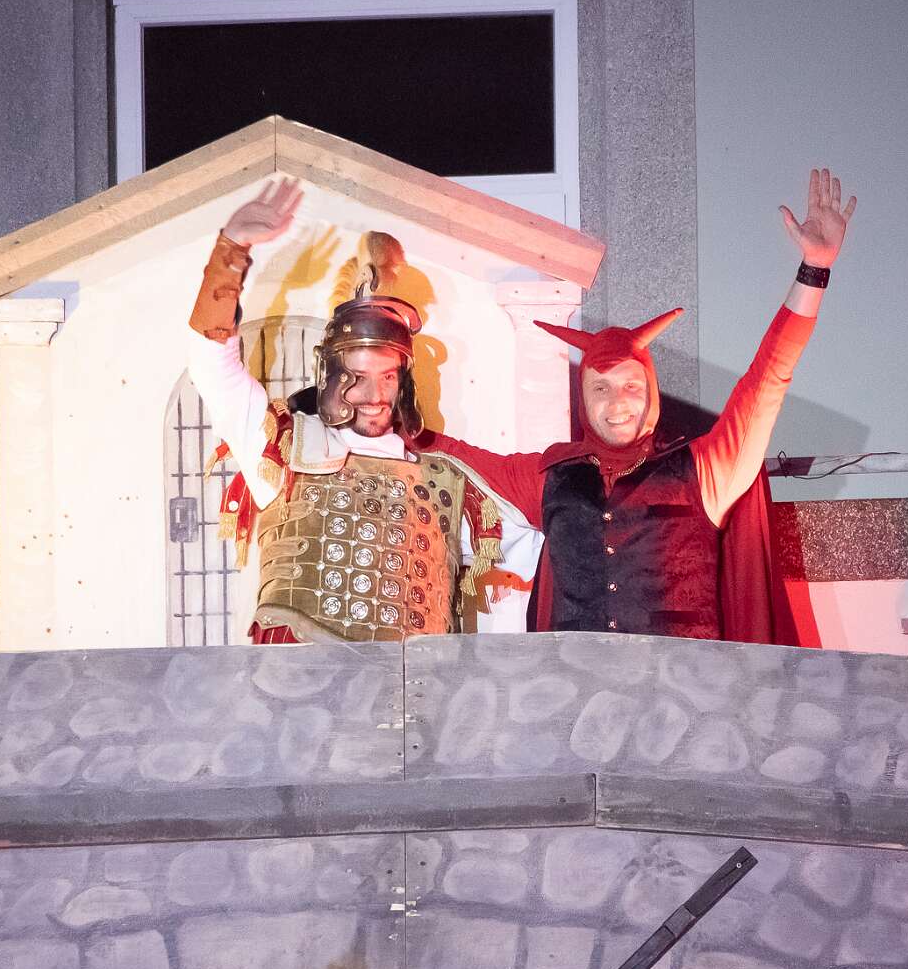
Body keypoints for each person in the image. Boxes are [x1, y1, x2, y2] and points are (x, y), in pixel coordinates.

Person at [417, 167, 856, 642]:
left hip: (684, 685)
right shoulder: (551, 477)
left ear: (650, 389)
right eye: (600, 389)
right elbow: (457, 457)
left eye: (630, 385)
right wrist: (384, 407)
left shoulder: (705, 470)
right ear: (583, 399)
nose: (617, 402)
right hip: (577, 684)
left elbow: (769, 377)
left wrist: (814, 270)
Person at [185, 177, 531, 643]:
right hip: (299, 680)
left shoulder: (444, 483)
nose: (374, 394)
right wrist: (231, 251)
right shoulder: (285, 449)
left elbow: (536, 544)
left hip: (409, 685)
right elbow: (211, 366)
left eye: (387, 376)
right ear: (331, 375)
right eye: (357, 375)